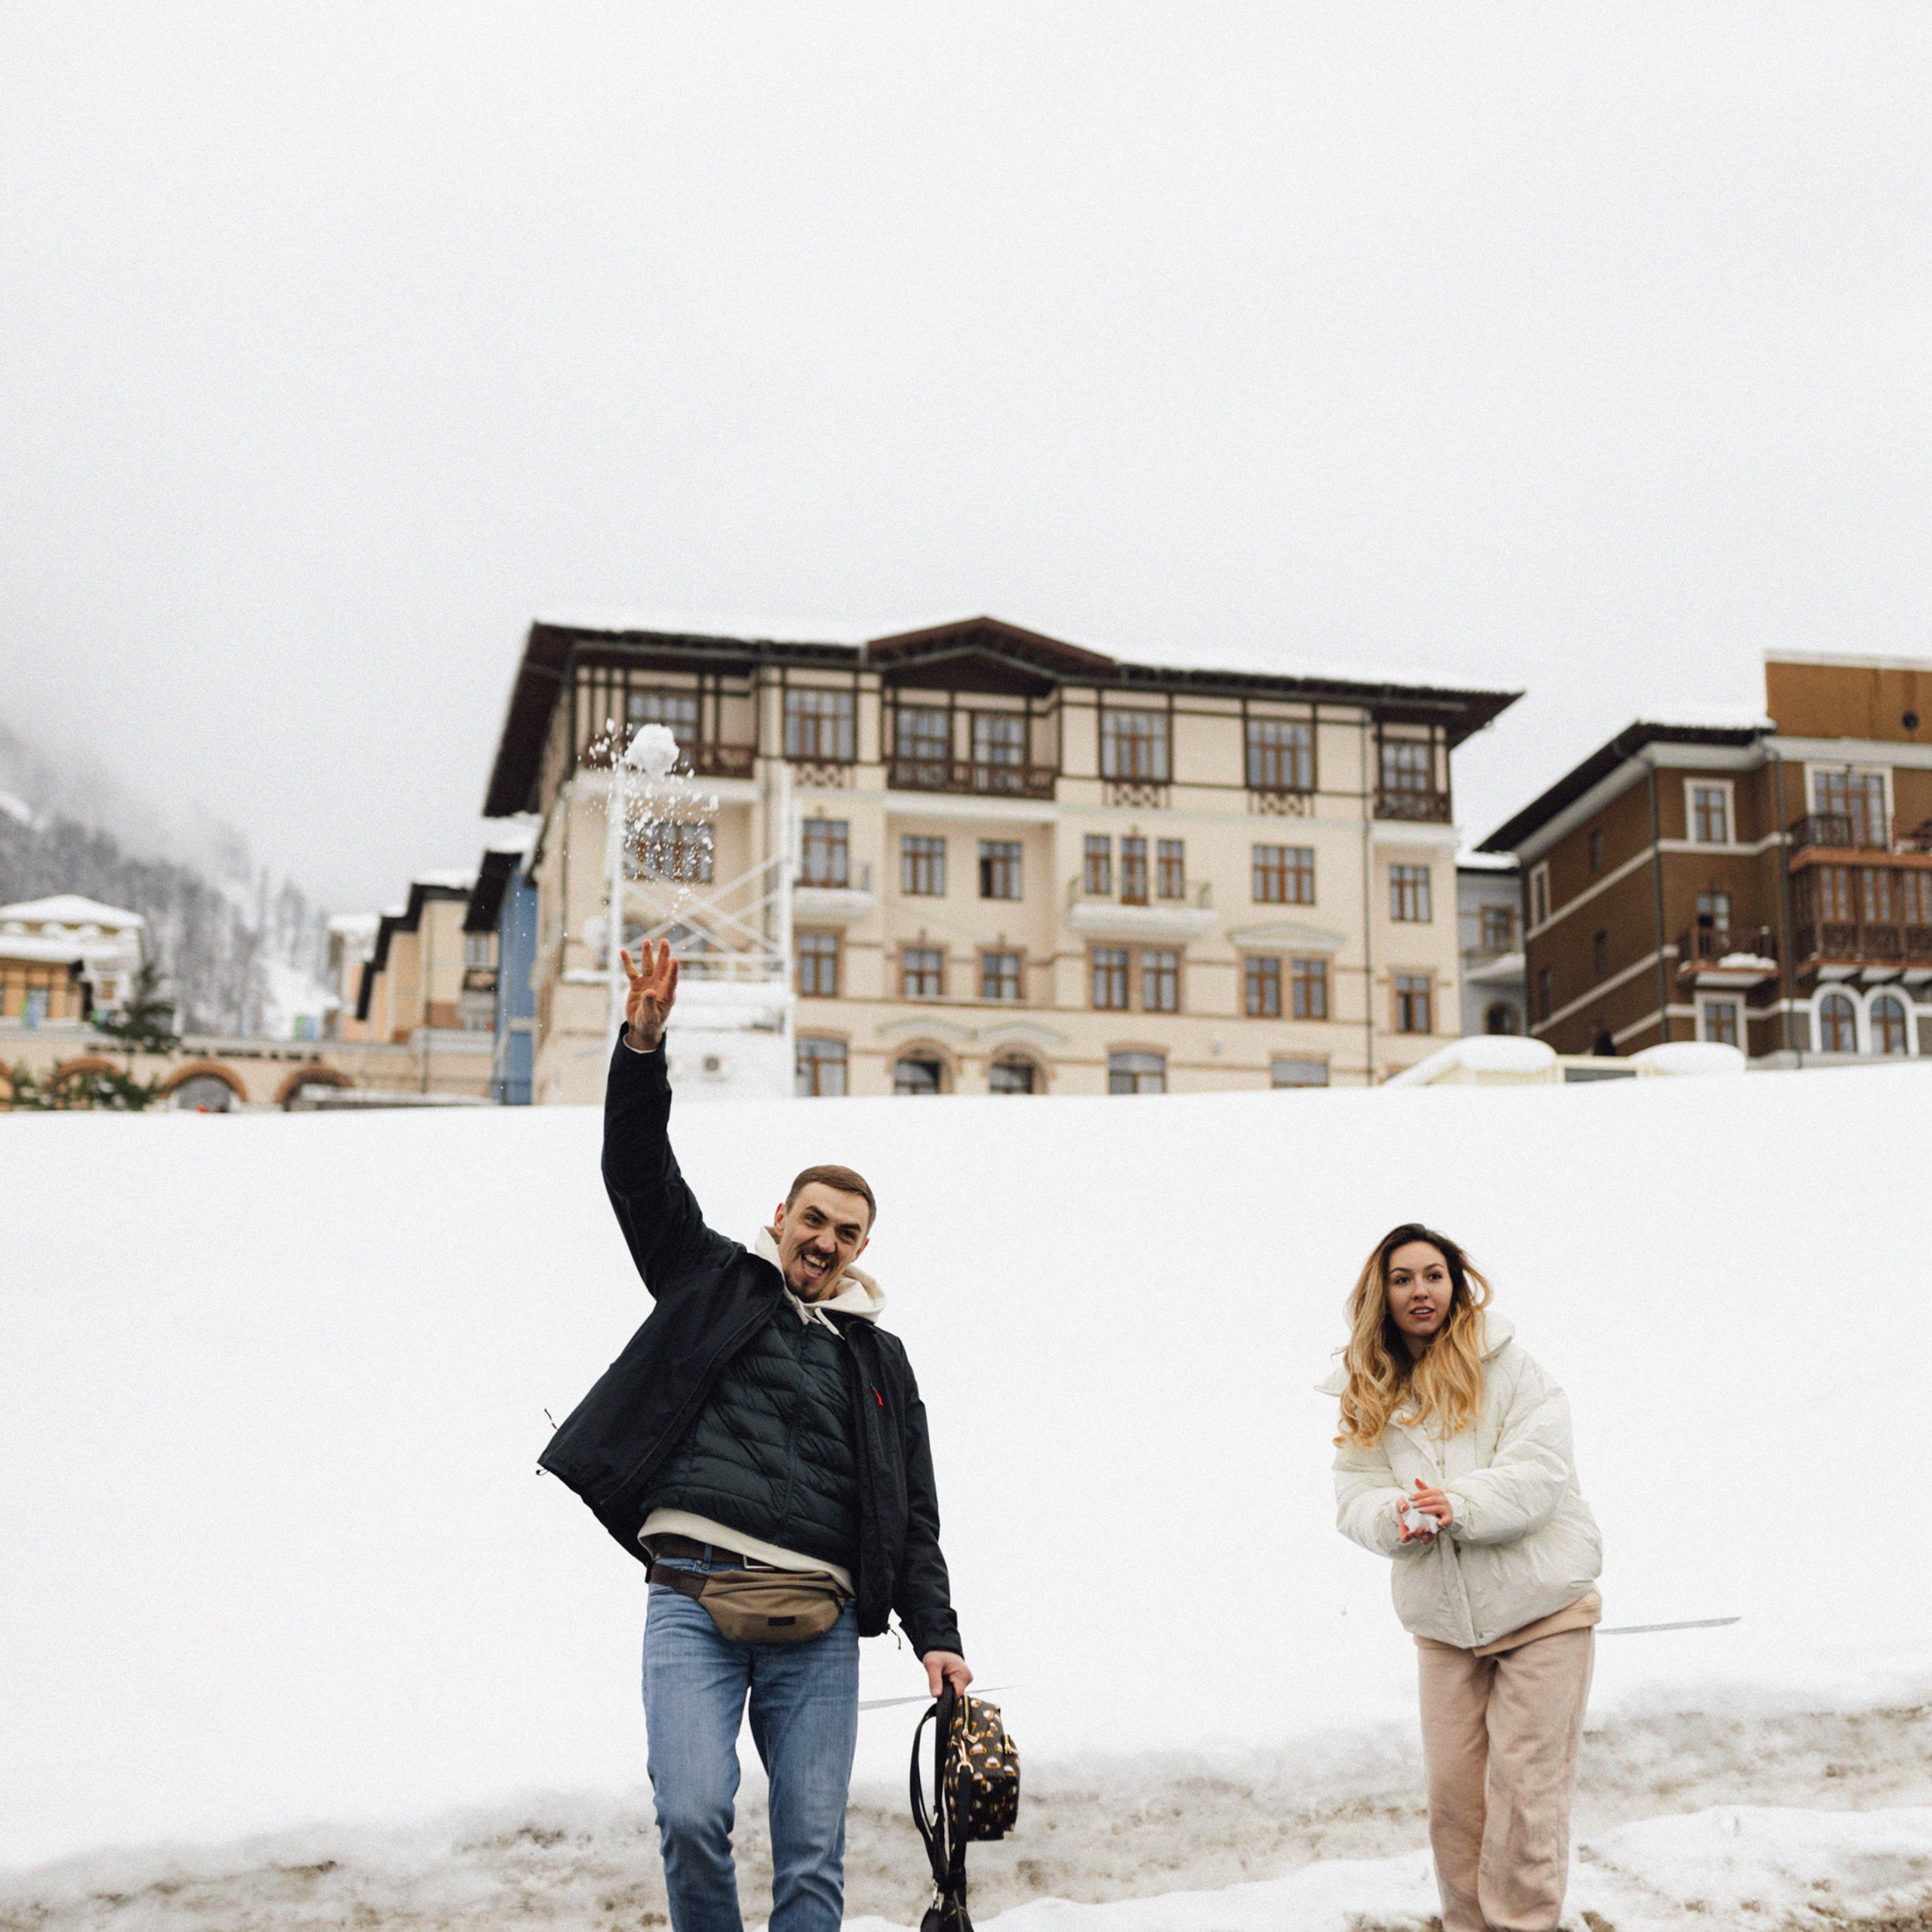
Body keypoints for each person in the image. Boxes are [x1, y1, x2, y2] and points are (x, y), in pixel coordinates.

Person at [539, 940, 971, 1932]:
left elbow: (912, 1515)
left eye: (847, 1232)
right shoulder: (712, 1282)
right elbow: (638, 1178)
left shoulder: (881, 1360)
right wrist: (642, 1047)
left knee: (813, 1856)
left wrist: (937, 1637)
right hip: (692, 1594)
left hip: (817, 1626)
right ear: (781, 1219)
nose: (824, 1240)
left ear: (863, 1247)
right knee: (693, 1815)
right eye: (812, 1219)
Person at [1325, 1224, 1601, 1932]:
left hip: (1543, 1613)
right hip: (1445, 1627)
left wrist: (1462, 1505)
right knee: (1455, 1804)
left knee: (1524, 1798)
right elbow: (1354, 1496)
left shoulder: (1511, 1368)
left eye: (1434, 1275)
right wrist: (1397, 1516)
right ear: (1380, 1294)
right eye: (1403, 1278)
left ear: (1457, 1284)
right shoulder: (1369, 1389)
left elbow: (1541, 1473)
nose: (1421, 1290)